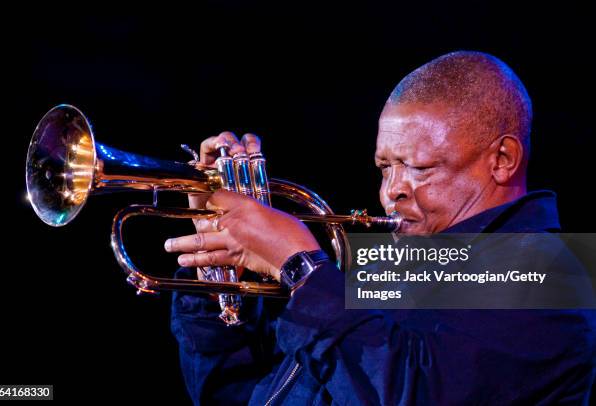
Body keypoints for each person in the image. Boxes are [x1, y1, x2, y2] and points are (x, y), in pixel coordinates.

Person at [165, 51, 596, 404]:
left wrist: (301, 269)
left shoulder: (553, 277)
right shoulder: (390, 267)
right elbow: (242, 395)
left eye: (419, 167)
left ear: (502, 159)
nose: (393, 193)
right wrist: (217, 278)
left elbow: (414, 395)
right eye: (385, 167)